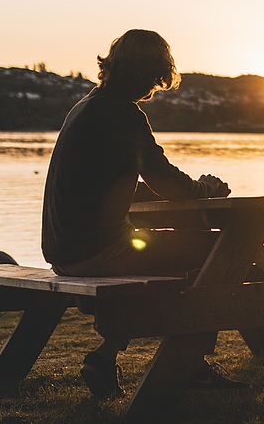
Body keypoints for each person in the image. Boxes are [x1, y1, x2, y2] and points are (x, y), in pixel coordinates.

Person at [41, 29, 247, 399]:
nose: (155, 88)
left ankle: (110, 355)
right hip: (99, 252)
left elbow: (105, 182)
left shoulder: (87, 106)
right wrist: (207, 189)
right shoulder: (124, 115)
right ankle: (190, 364)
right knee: (220, 251)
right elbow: (171, 186)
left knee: (182, 256)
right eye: (156, 77)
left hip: (63, 251)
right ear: (150, 73)